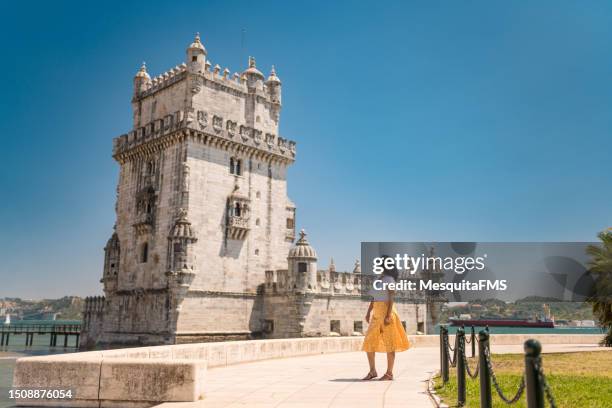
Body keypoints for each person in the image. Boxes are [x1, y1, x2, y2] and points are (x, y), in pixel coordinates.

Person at [361, 261, 411, 381]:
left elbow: (391, 298)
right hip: (376, 315)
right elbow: (374, 298)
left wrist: (388, 315)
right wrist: (368, 312)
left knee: (390, 344)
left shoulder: (390, 280)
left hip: (387, 314)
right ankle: (372, 371)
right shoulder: (379, 279)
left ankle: (389, 373)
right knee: (368, 342)